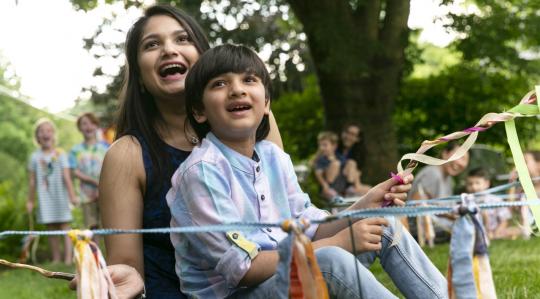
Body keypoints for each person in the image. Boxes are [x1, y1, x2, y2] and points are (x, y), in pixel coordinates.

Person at [167, 44, 447, 298]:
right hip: (236, 294)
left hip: (282, 278)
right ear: (199, 110)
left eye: (249, 80)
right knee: (330, 260)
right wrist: (339, 242)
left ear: (266, 104)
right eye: (219, 83)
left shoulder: (273, 157)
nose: (237, 89)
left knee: (383, 225)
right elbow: (243, 269)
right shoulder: (202, 172)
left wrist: (365, 204)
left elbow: (309, 227)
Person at [94, 4, 283, 299]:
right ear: (140, 78)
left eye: (182, 39)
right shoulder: (127, 155)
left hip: (271, 284)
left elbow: (283, 214)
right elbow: (128, 267)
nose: (169, 50)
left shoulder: (257, 124)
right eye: (152, 44)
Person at [26, 118, 78, 264]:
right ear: (37, 137)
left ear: (53, 135)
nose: (45, 133)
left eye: (48, 130)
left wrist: (72, 196)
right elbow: (32, 181)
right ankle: (56, 258)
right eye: (42, 131)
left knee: (65, 226)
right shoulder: (34, 157)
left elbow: (67, 177)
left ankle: (68, 258)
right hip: (45, 198)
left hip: (60, 196)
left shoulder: (60, 154)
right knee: (51, 227)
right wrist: (30, 200)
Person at [408, 141, 470, 246]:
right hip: (422, 227)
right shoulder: (433, 173)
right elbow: (418, 206)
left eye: (464, 160)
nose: (460, 163)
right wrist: (449, 214)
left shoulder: (449, 179)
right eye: (459, 156)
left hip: (440, 223)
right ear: (445, 153)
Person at [69, 112, 109, 232]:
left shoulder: (106, 147)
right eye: (84, 124)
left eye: (92, 123)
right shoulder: (75, 150)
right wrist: (92, 181)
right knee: (92, 228)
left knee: (108, 226)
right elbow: (74, 171)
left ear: (96, 126)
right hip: (86, 196)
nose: (88, 126)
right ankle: (94, 251)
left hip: (106, 193)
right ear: (80, 128)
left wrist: (101, 186)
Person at [465, 167, 518, 240]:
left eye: (477, 183)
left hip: (495, 231)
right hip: (474, 232)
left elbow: (504, 220)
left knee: (513, 230)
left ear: (487, 184)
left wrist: (497, 232)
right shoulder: (467, 201)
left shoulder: (495, 200)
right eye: (470, 184)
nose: (474, 187)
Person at [336, 122, 371, 196]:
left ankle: (349, 190)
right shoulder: (334, 147)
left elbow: (358, 173)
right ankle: (349, 190)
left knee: (371, 190)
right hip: (335, 180)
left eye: (352, 134)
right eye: (347, 132)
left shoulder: (358, 153)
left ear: (358, 139)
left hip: (349, 181)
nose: (348, 136)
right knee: (351, 163)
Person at [311, 131, 344, 200]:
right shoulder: (321, 159)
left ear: (334, 146)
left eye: (325, 145)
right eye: (320, 145)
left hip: (341, 187)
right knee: (336, 164)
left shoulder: (339, 157)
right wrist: (325, 185)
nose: (321, 148)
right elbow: (318, 173)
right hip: (329, 187)